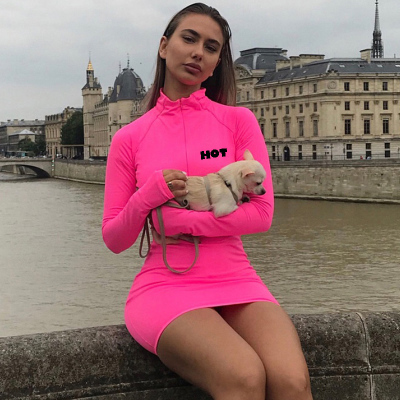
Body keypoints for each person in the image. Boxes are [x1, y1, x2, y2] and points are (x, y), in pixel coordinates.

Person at [102, 3, 313, 399]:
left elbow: (262, 214)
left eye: (211, 47)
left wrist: (177, 222)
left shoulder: (238, 121)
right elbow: (114, 238)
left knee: (292, 381)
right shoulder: (128, 138)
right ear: (164, 46)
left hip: (236, 276)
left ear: (216, 64)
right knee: (243, 376)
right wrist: (147, 197)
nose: (198, 52)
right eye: (189, 39)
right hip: (165, 284)